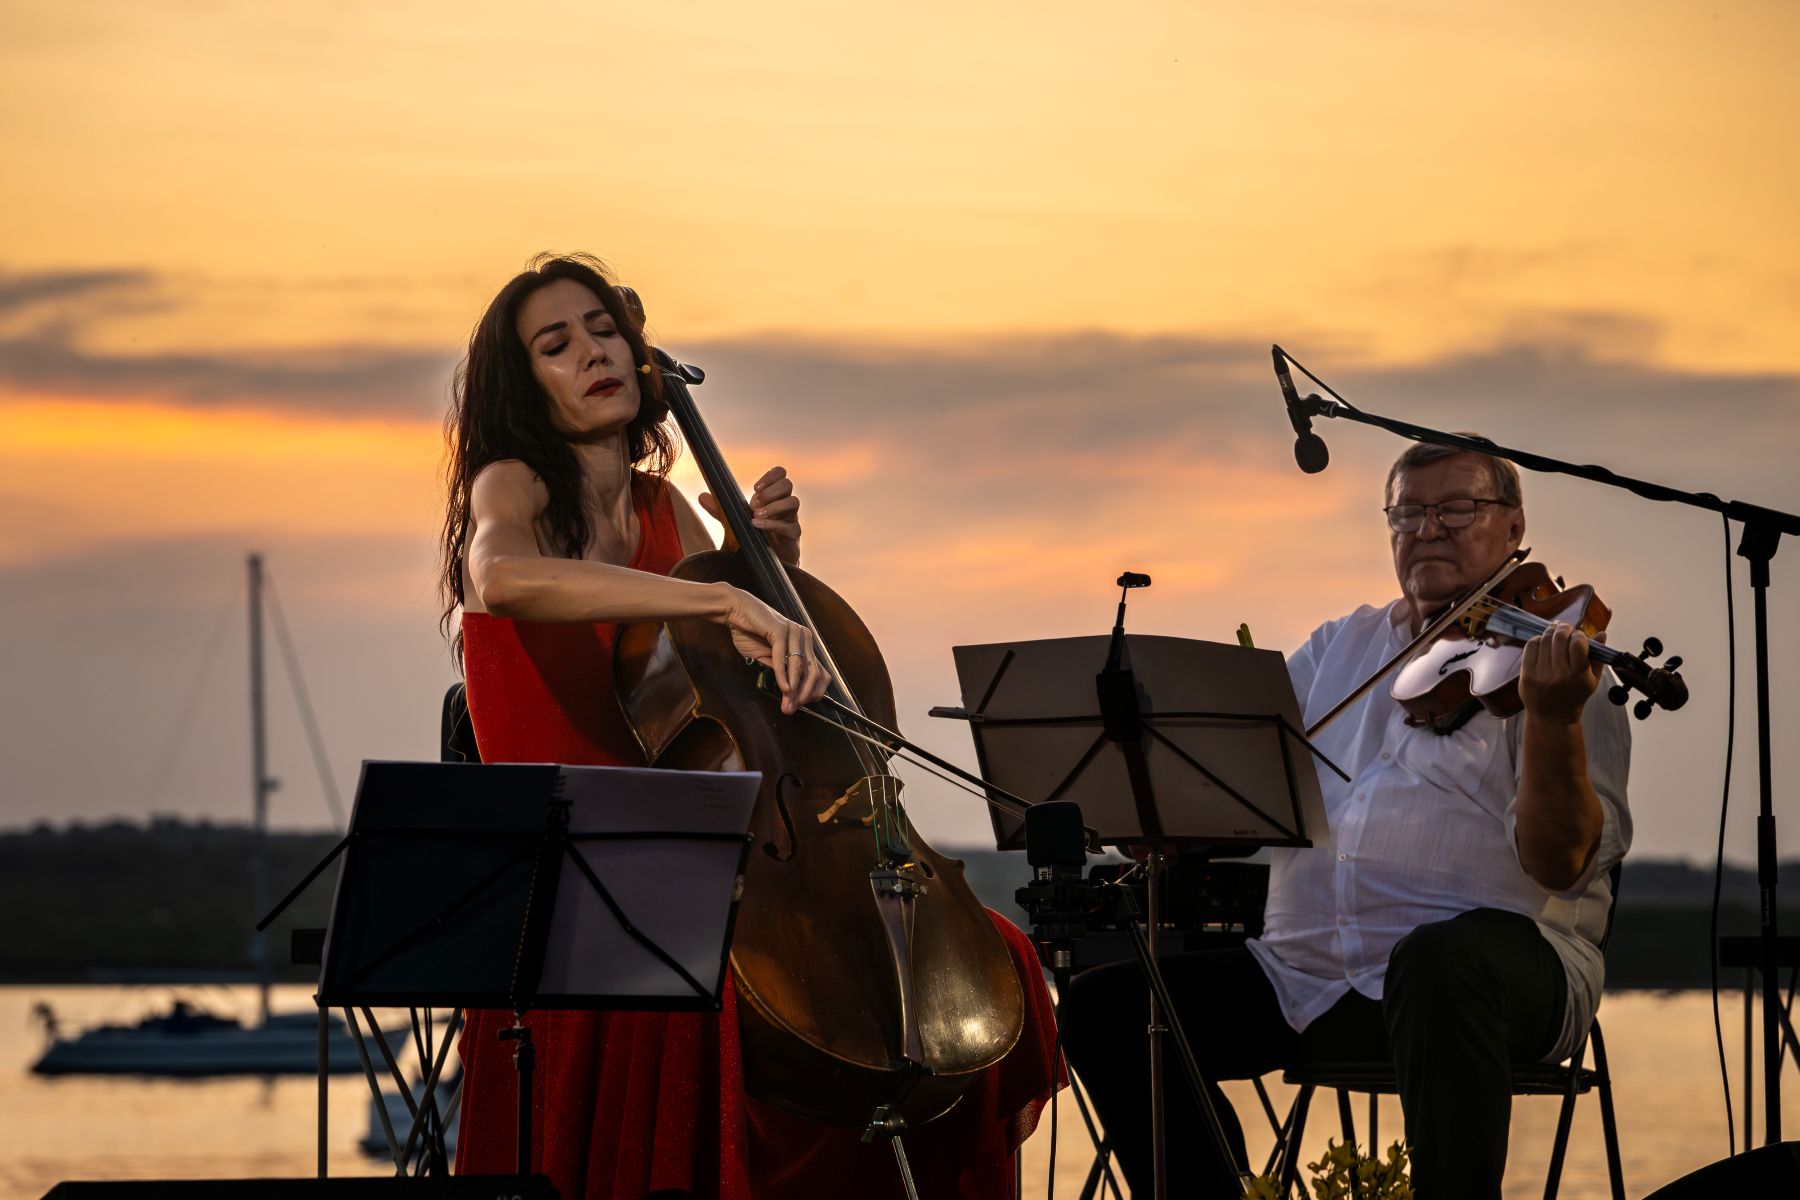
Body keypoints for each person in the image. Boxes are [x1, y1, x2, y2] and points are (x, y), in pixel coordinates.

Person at [438, 254, 1059, 1200]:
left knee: (986, 955)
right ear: (524, 385)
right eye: (556, 345)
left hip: (691, 857)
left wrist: (761, 568)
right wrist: (726, 598)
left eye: (605, 330)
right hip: (577, 876)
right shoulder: (511, 486)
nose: (594, 353)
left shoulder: (663, 510)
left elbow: (724, 706)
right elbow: (502, 578)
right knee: (739, 990)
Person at [1061, 442, 1631, 1199]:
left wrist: (1553, 718)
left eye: (1457, 509)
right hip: (1305, 978)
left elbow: (1561, 864)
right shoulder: (1338, 648)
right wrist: (1167, 815)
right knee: (1104, 1007)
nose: (1429, 528)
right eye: (1408, 512)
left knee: (1439, 961)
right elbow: (1249, 790)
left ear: (1514, 527)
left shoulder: (1556, 664)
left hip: (1494, 984)